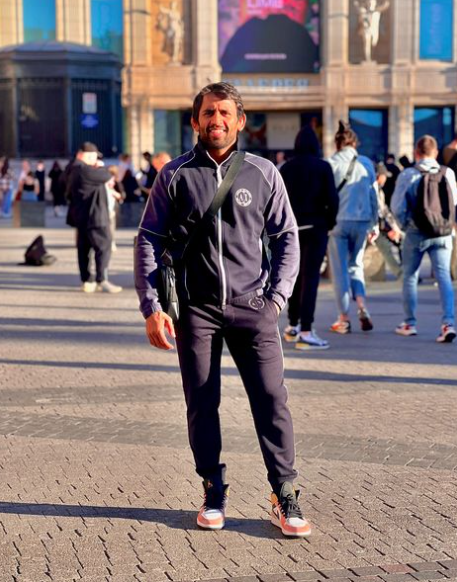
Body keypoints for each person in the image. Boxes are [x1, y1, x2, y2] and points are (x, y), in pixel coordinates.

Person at [134, 82, 311, 537]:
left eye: (225, 113)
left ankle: (284, 492)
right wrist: (153, 305)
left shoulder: (263, 172)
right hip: (196, 311)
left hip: (254, 307)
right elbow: (148, 239)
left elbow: (287, 237)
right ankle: (213, 488)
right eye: (209, 113)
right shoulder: (174, 175)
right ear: (195, 121)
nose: (217, 120)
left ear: (240, 120)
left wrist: (277, 298)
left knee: (272, 399)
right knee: (202, 402)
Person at [391, 135, 457, 343]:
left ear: (416, 153)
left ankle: (409, 323)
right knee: (444, 276)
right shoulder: (449, 174)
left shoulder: (409, 174)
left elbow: (397, 207)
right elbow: (454, 202)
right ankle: (448, 323)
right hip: (443, 233)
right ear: (436, 153)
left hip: (416, 232)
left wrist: (405, 226)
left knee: (410, 276)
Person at [280, 126, 339, 349]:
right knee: (311, 278)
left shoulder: (286, 168)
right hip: (316, 227)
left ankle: (293, 324)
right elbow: (332, 200)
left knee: (294, 276)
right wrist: (329, 223)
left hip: (291, 229)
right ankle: (306, 329)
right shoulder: (323, 167)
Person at [327, 121, 379, 334]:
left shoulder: (330, 164)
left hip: (338, 222)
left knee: (339, 271)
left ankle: (343, 318)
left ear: (337, 144)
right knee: (356, 265)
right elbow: (374, 195)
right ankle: (362, 306)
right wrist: (374, 223)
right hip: (363, 221)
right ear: (354, 143)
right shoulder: (366, 163)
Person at [66, 142, 123, 294]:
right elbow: (106, 175)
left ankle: (87, 280)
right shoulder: (83, 169)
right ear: (86, 156)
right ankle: (101, 279)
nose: (95, 160)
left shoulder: (72, 168)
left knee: (83, 250)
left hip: (82, 216)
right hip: (95, 216)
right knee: (103, 247)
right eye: (93, 157)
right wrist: (100, 166)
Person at [374, 162, 403, 279]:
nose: (385, 178)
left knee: (401, 240)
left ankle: (406, 271)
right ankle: (401, 274)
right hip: (372, 227)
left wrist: (395, 228)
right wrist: (394, 228)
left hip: (379, 226)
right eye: (384, 175)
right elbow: (383, 212)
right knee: (385, 247)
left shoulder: (378, 190)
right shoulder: (374, 190)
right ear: (378, 176)